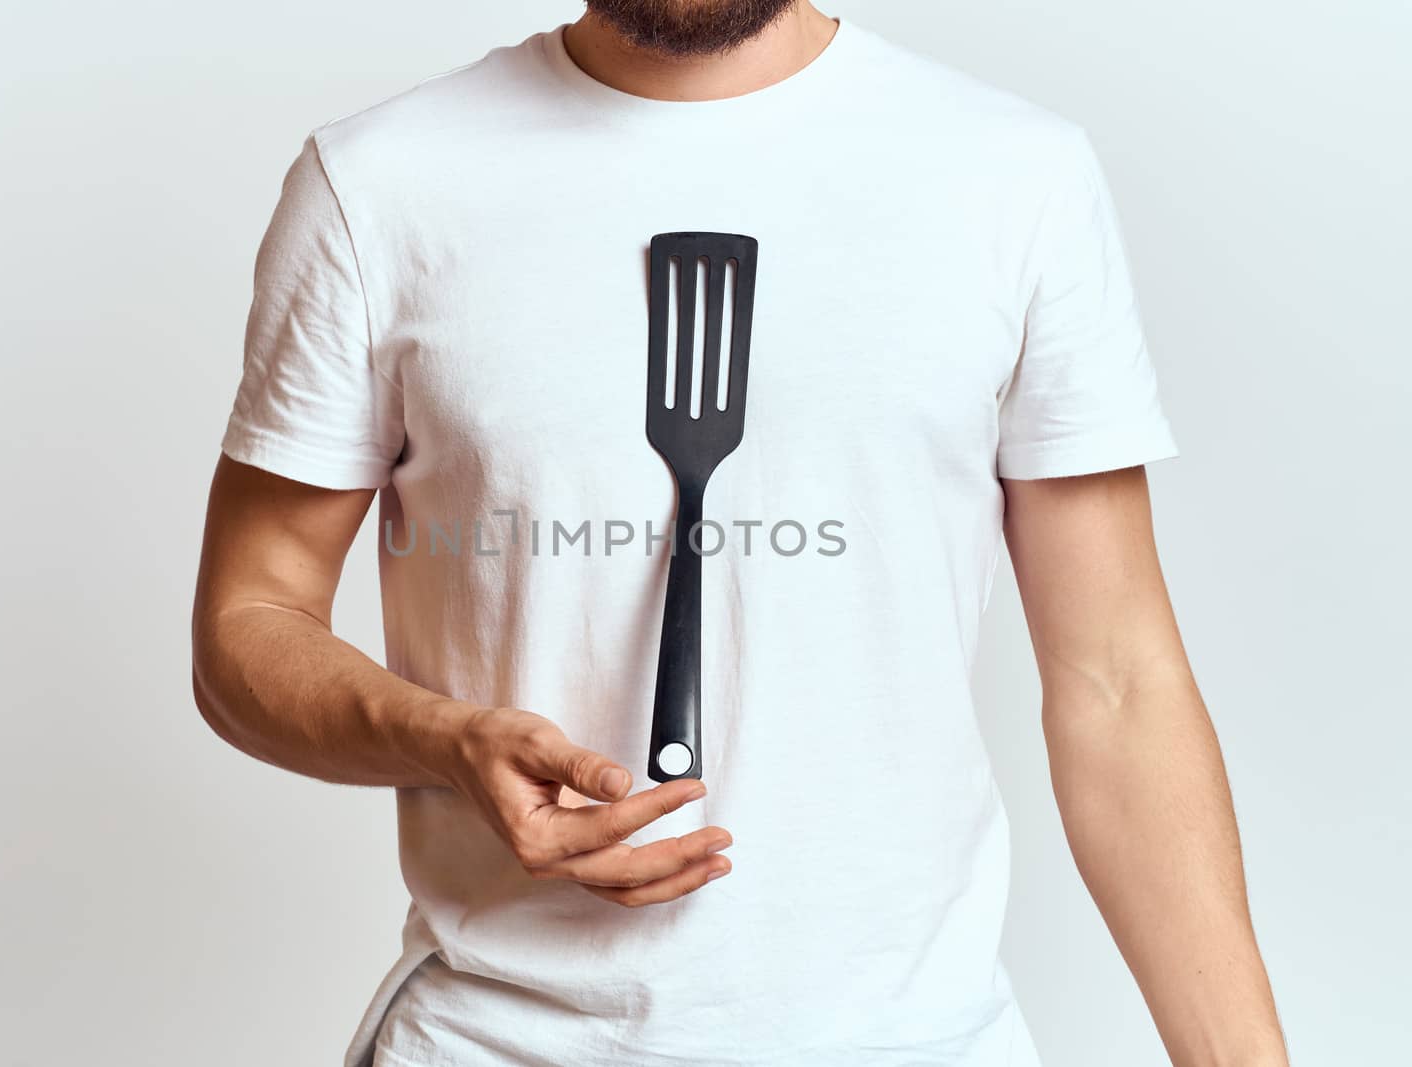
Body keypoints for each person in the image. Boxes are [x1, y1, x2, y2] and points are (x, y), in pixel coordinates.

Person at [190, 2, 1288, 1064]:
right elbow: (249, 619)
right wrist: (446, 740)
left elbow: (1116, 683)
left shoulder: (1013, 175)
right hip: (497, 1037)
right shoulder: (381, 181)